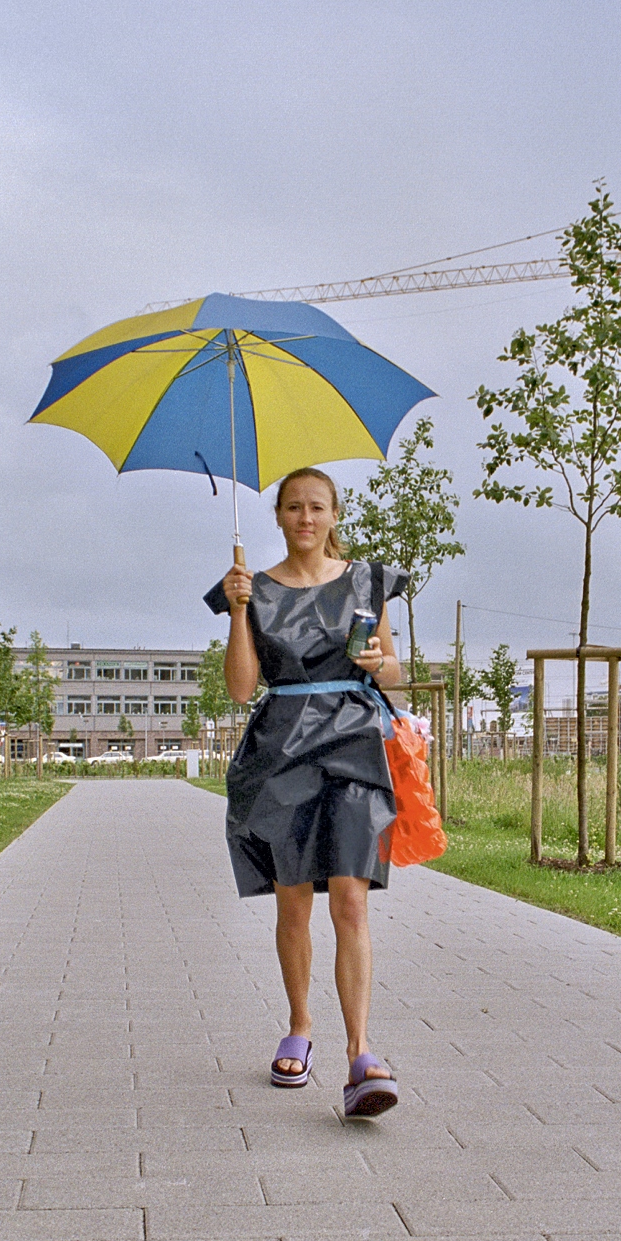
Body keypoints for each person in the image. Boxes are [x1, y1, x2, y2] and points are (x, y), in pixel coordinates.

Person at [205, 466, 407, 1118]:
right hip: (281, 753)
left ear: (334, 513)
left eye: (316, 506)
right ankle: (300, 1024)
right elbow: (241, 689)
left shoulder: (365, 583)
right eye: (293, 507)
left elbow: (396, 677)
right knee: (292, 907)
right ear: (280, 517)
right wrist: (238, 612)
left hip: (351, 748)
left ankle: (361, 1053)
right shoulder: (253, 590)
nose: (305, 518)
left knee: (351, 901)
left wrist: (380, 664)